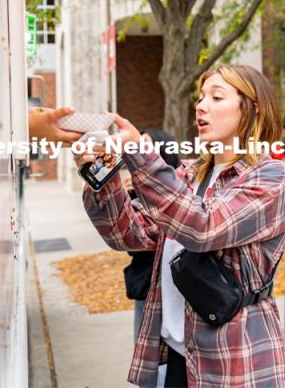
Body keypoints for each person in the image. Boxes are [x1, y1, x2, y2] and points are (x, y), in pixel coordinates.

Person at [75, 64, 285, 387]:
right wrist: (101, 176)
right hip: (182, 356)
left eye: (216, 96)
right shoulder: (190, 175)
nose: (201, 105)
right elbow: (129, 233)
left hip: (237, 360)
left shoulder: (272, 177)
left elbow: (204, 226)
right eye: (201, 96)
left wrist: (139, 151)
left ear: (253, 108)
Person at [123, 129, 180, 388]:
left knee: (164, 359)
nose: (138, 151)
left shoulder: (176, 187)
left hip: (169, 284)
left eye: (145, 146)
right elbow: (130, 239)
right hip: (145, 282)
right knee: (146, 352)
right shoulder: (137, 189)